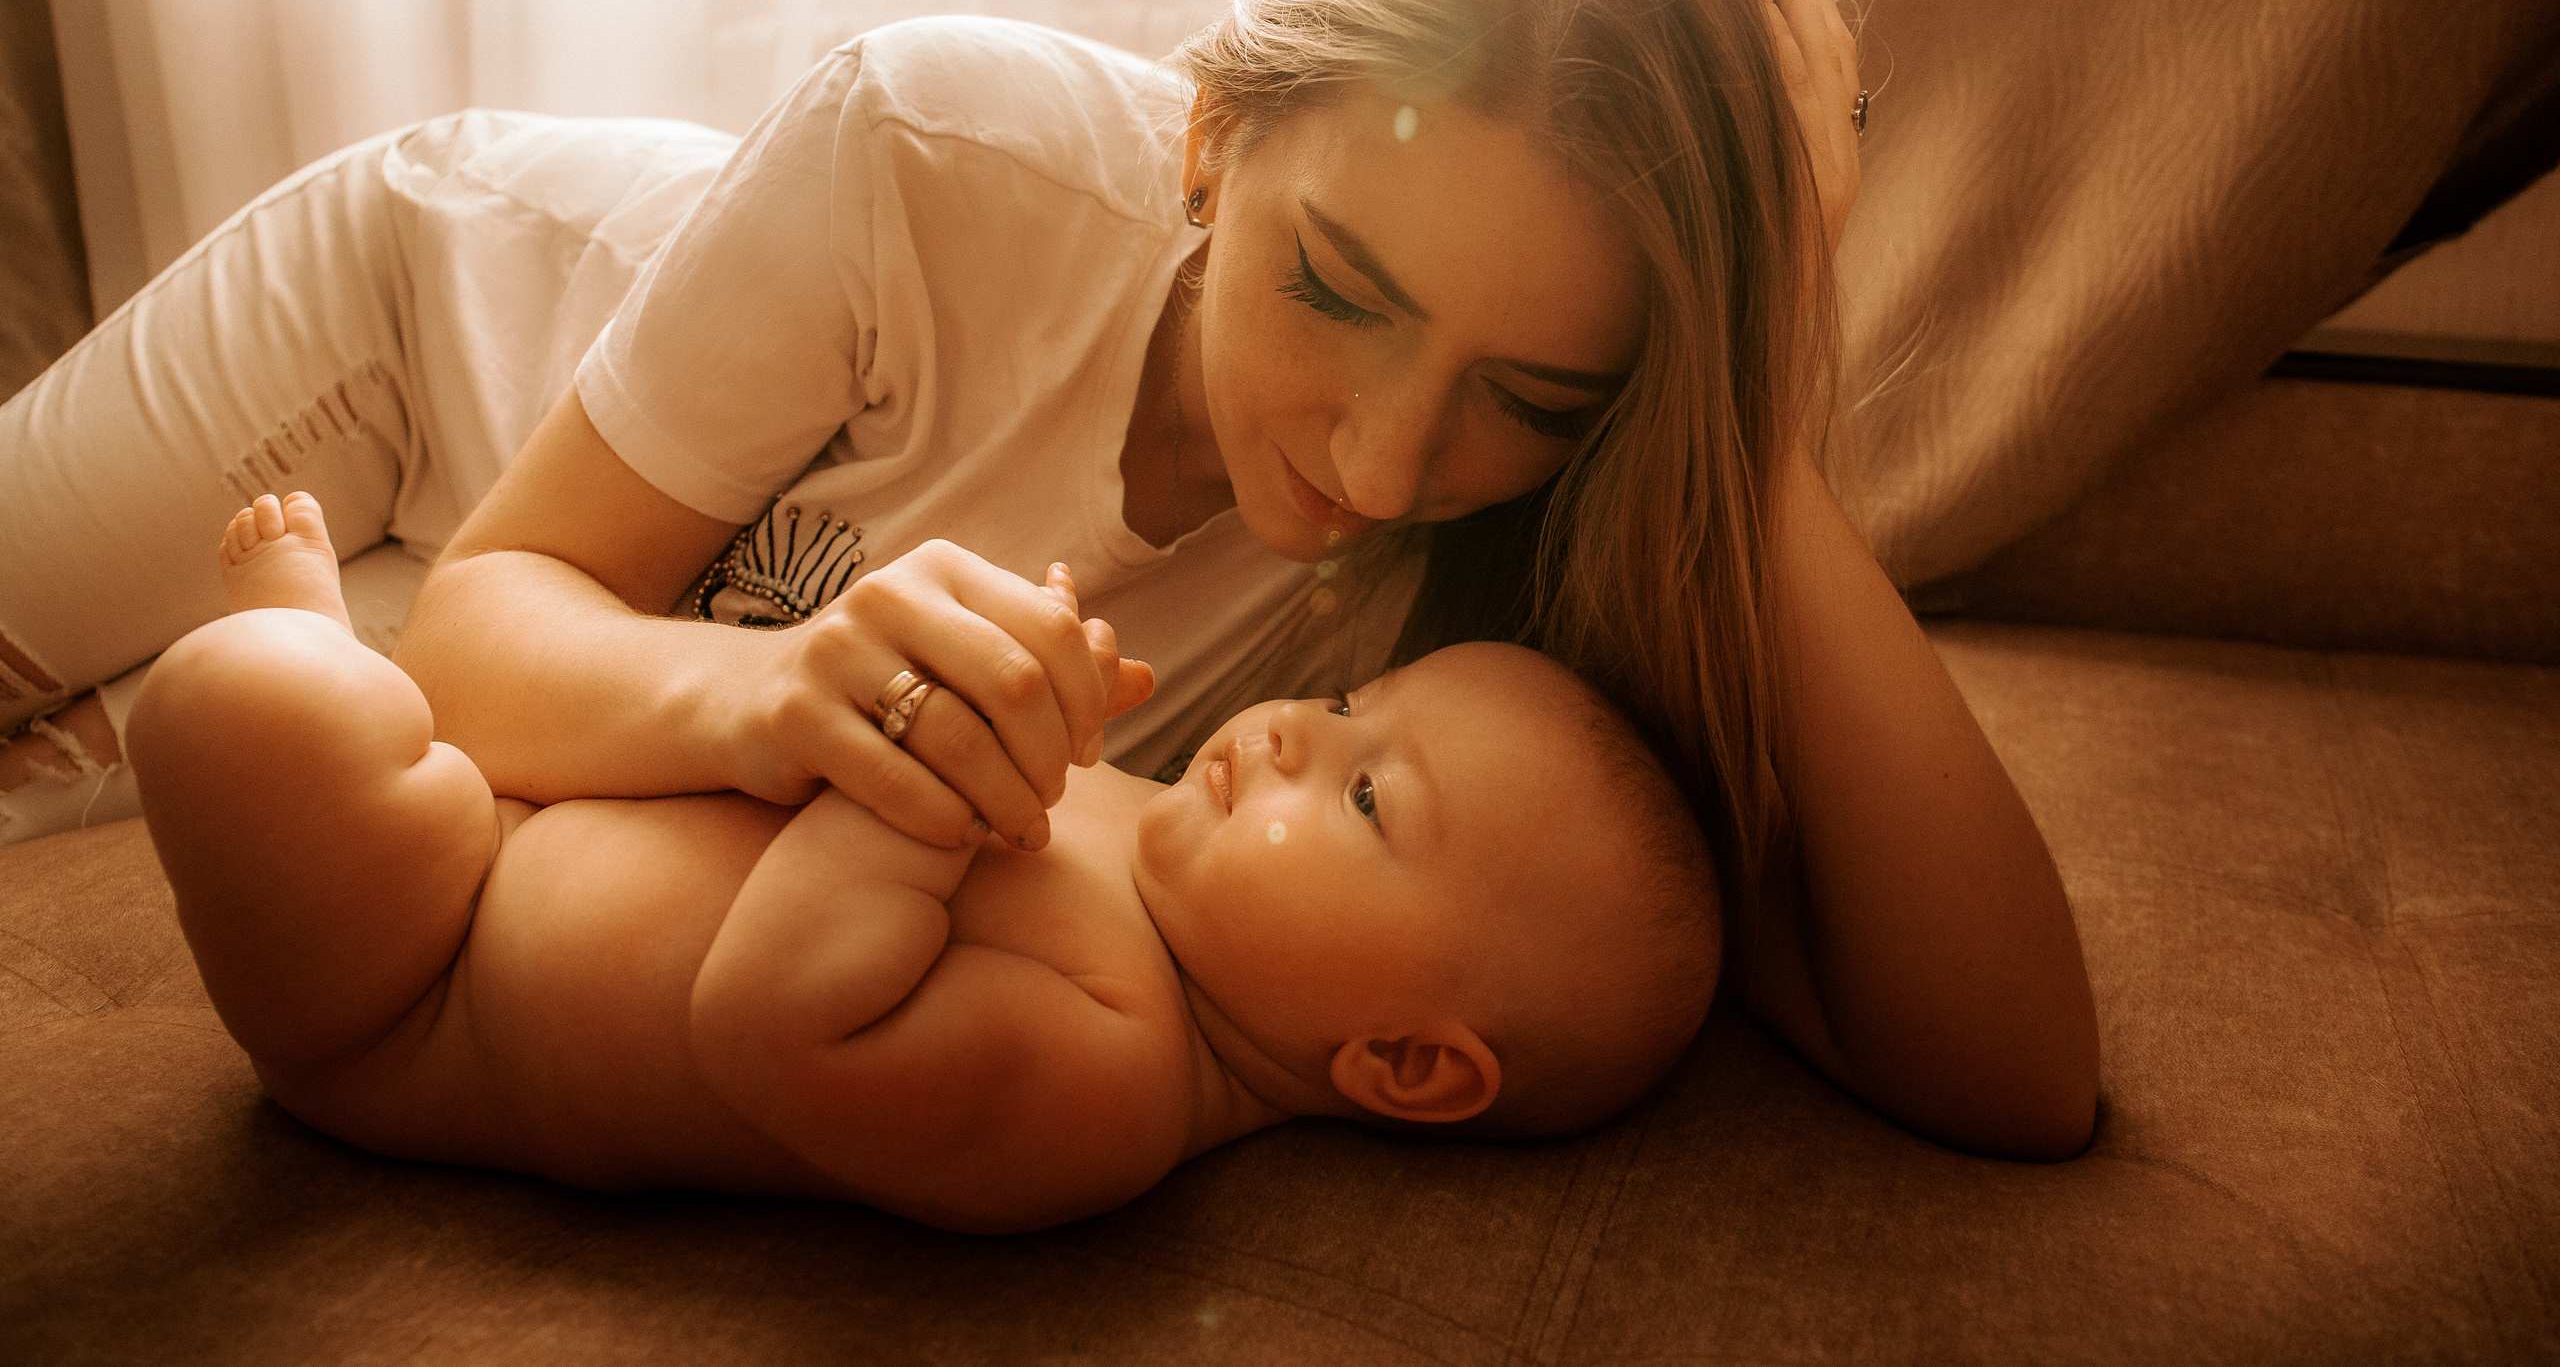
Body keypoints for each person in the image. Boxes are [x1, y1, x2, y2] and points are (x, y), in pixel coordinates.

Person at [0, 0, 2096, 1160]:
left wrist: (1749, 371)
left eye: (1526, 392)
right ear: (1209, 134)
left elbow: (2012, 1071)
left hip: (540, 740)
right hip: (422, 370)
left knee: (190, 755)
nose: (1379, 455)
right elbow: (492, 624)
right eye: (1334, 285)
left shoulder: (1505, 617)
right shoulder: (935, 142)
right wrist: (777, 703)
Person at [131, 490, 1720, 1231]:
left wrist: (932, 787)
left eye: (1374, 799)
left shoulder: (1113, 1081)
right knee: (342, 724)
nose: (1302, 727)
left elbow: (765, 1022)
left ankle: (302, 650)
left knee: (245, 705)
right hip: (505, 820)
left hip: (415, 990)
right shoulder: (1156, 830)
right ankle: (344, 670)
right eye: (1356, 702)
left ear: (1400, 1062)